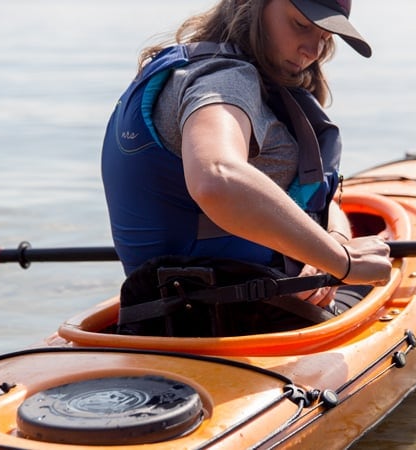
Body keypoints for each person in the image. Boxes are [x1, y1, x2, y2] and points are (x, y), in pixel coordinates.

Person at [101, 0, 391, 319]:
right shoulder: (222, 81)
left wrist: (329, 244)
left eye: (325, 38)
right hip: (239, 313)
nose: (312, 50)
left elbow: (318, 201)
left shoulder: (219, 75)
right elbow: (217, 178)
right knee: (391, 282)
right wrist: (342, 263)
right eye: (301, 25)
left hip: (174, 308)